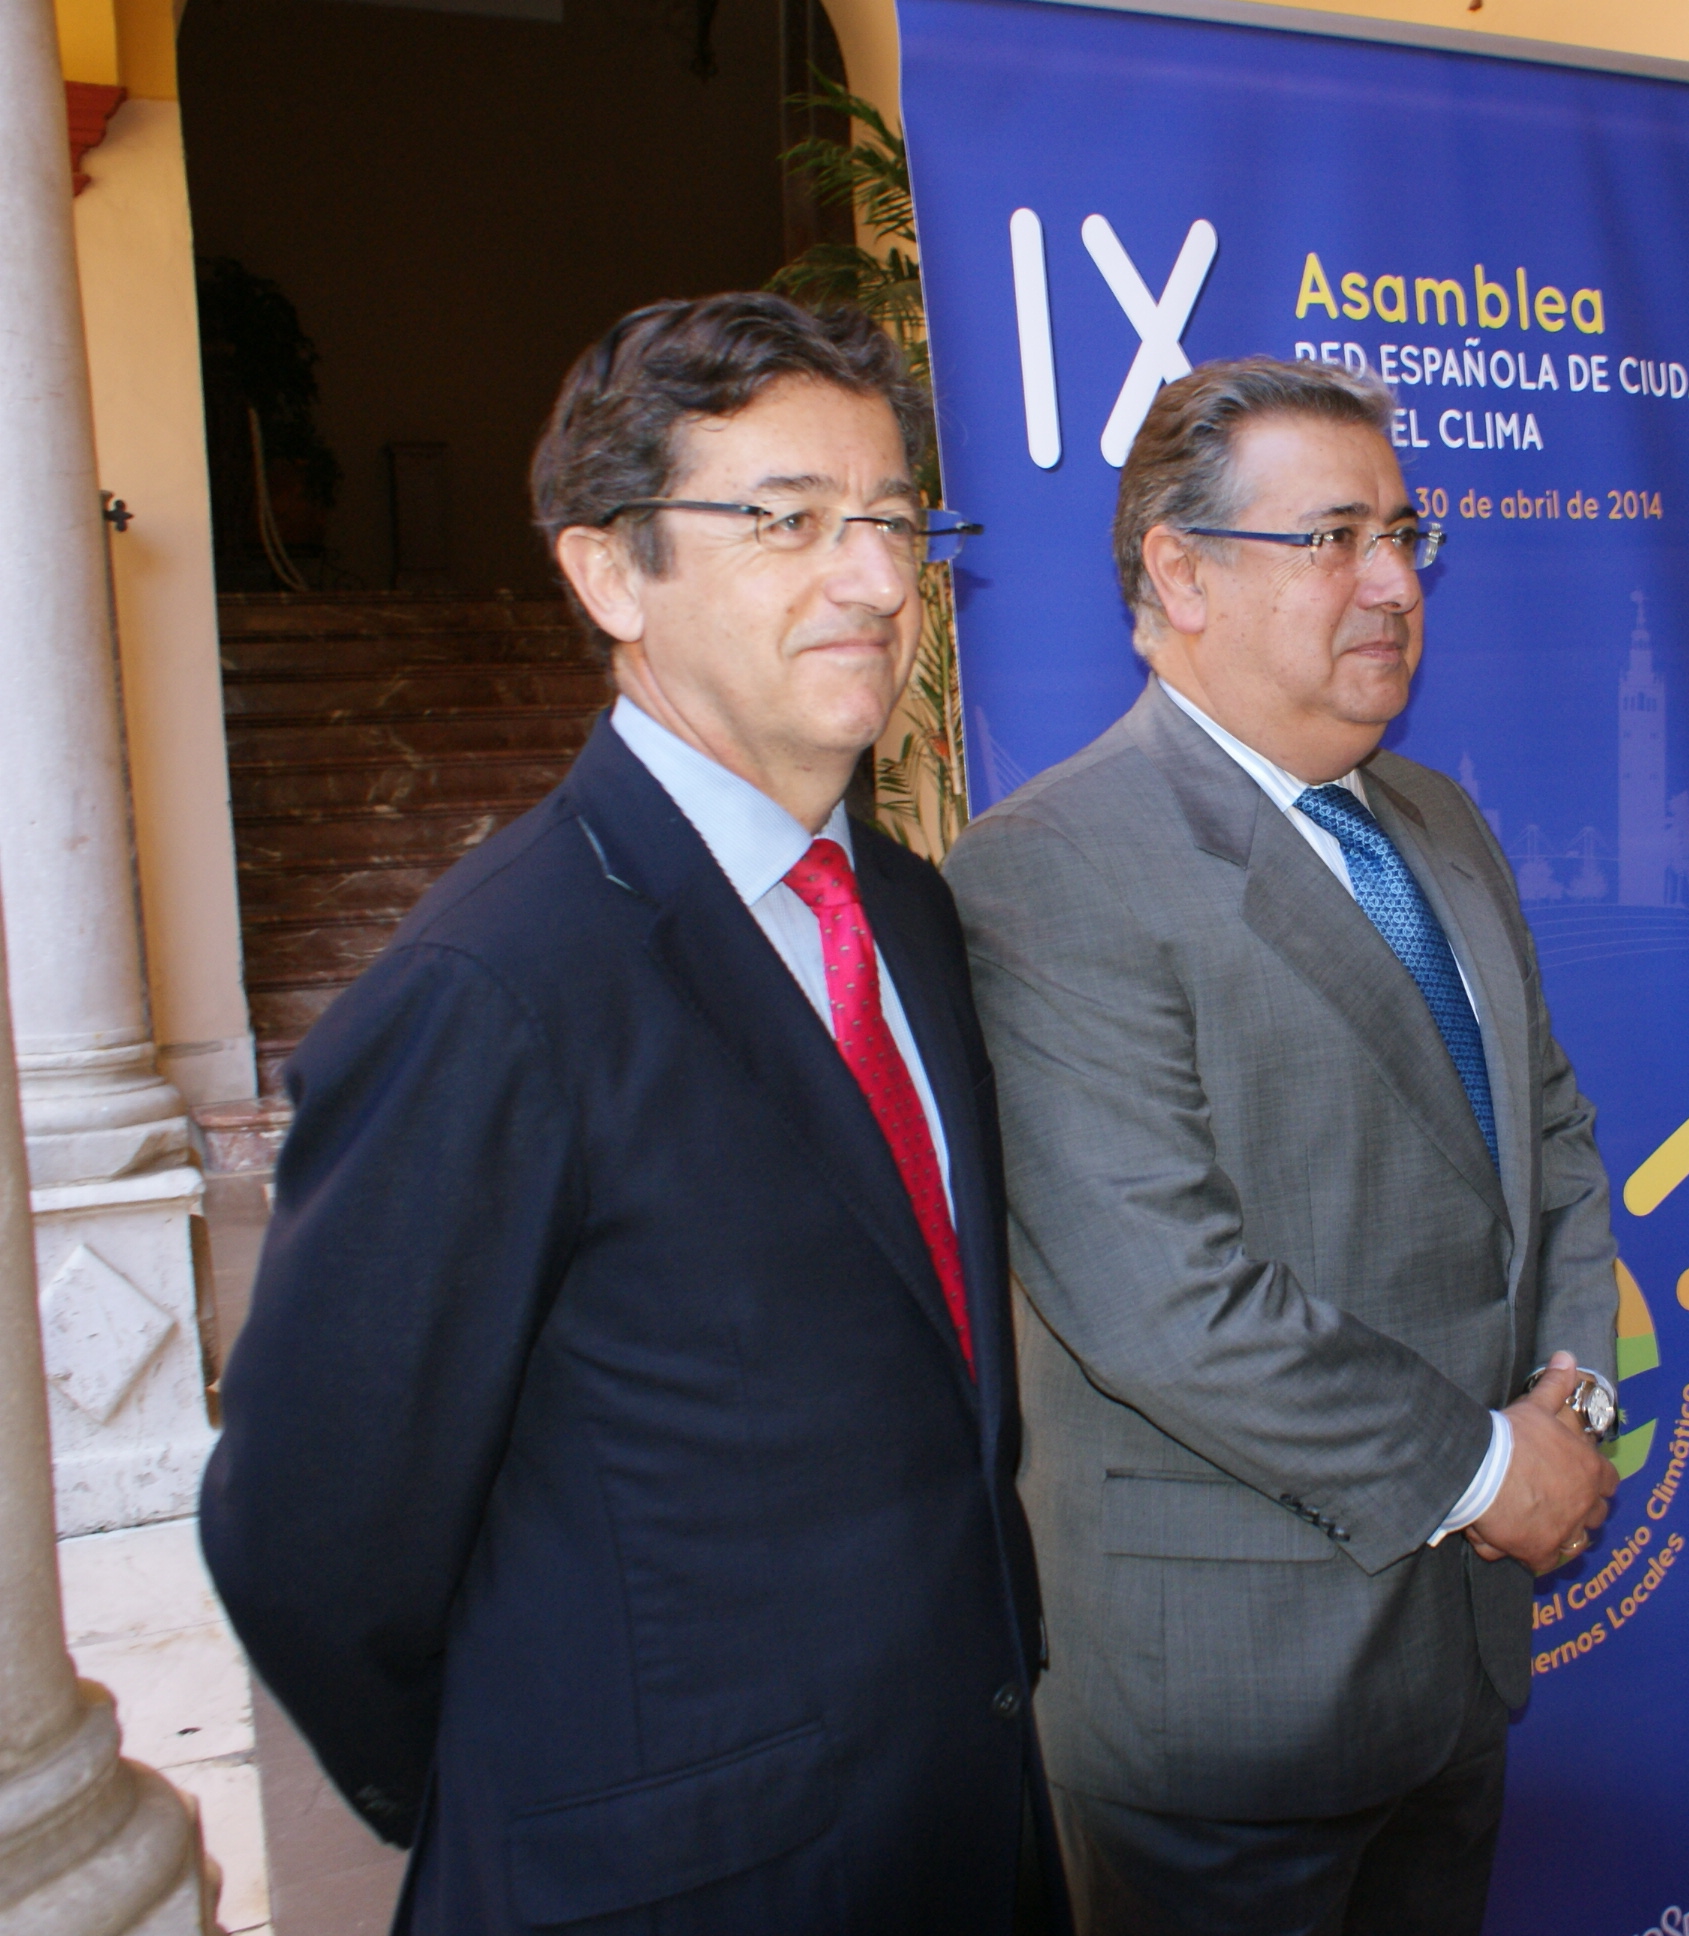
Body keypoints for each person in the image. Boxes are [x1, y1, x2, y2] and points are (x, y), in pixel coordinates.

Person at [200, 294, 1058, 1933]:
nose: (877, 581)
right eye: (787, 521)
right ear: (609, 573)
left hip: (957, 1827)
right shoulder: (493, 990)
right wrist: (546, 1798)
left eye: (892, 520)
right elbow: (311, 1537)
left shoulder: (902, 911)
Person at [943, 356, 1621, 1936]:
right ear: (1178, 573)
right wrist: (1485, 1472)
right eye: (1332, 538)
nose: (1393, 581)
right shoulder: (1052, 872)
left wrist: (1569, 1402)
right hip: (1233, 1712)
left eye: (1403, 531)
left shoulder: (1438, 824)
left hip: (1453, 1664)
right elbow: (1167, 1303)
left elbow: (1553, 1141)